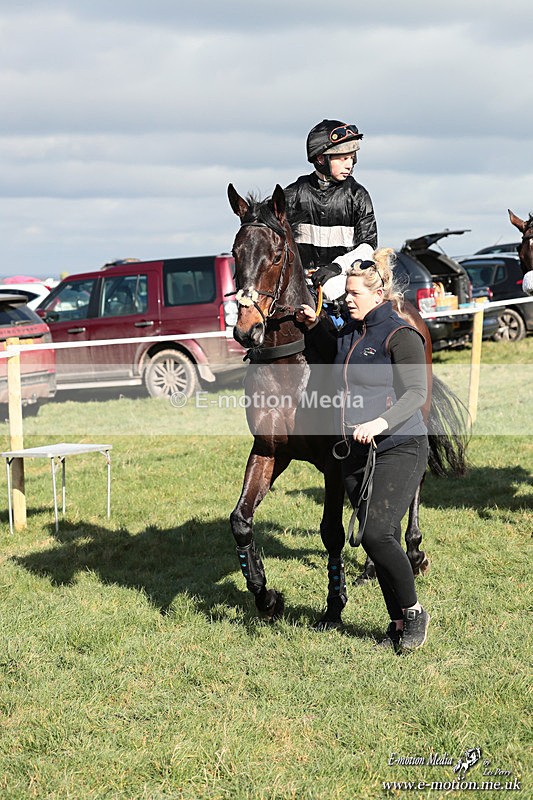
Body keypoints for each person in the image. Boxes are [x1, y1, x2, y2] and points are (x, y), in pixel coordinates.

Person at [295, 248, 430, 652]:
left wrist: (380, 423)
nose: (348, 298)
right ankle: (395, 623)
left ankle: (413, 611)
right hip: (355, 452)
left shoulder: (399, 334)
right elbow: (329, 353)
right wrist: (313, 323)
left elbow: (417, 392)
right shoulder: (350, 333)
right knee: (375, 539)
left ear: (378, 294)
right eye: (347, 293)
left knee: (377, 531)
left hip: (400, 445)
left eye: (354, 293)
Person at [284, 119, 378, 321]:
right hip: (300, 284)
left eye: (351, 158)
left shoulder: (358, 195)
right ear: (320, 159)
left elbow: (368, 246)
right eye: (342, 158)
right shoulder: (292, 195)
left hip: (341, 280)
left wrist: (336, 267)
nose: (350, 164)